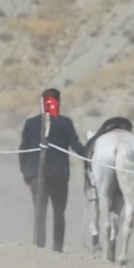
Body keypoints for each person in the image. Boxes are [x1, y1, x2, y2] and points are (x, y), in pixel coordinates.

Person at [18, 88, 85, 253]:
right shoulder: (64, 122)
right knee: (59, 212)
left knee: (39, 212)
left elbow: (23, 151)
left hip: (35, 175)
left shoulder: (31, 123)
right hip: (59, 176)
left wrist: (26, 174)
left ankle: (39, 245)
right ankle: (57, 248)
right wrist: (89, 155)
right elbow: (76, 145)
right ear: (58, 101)